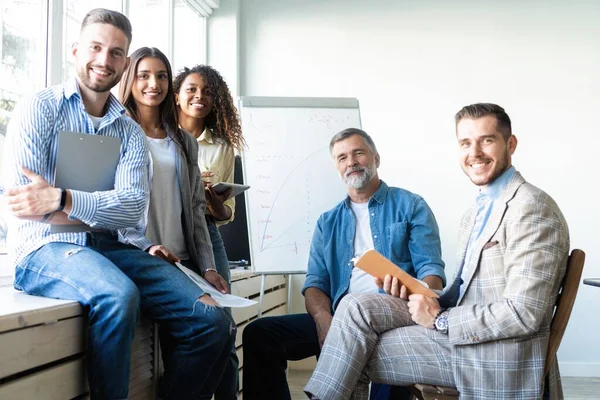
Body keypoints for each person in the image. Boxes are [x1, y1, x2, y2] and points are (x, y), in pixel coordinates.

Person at [3, 9, 234, 400]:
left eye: (115, 53)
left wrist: (63, 198)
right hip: (45, 246)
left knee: (213, 322)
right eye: (95, 47)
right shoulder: (39, 107)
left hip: (113, 245)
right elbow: (28, 205)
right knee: (119, 295)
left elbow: (130, 208)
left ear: (123, 62)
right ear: (76, 51)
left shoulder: (127, 129)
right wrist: (92, 206)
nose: (103, 60)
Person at [304, 103, 570, 400]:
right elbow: (462, 292)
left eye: (487, 140)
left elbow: (525, 313)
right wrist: (415, 291)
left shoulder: (530, 208)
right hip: (464, 333)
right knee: (353, 307)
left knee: (350, 351)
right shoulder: (478, 211)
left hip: (494, 355)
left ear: (511, 144)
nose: (475, 152)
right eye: (466, 143)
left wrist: (440, 319)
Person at [242, 128, 446, 400]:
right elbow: (315, 283)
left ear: (376, 158)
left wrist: (421, 297)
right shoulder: (327, 222)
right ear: (337, 167)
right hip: (341, 316)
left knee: (376, 332)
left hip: (395, 312)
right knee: (260, 334)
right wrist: (323, 319)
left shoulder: (411, 205)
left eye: (358, 153)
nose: (351, 162)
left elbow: (431, 271)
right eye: (342, 157)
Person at [117, 46, 233, 398]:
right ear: (129, 80)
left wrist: (210, 267)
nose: (154, 83)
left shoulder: (183, 141)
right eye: (144, 75)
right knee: (212, 327)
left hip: (185, 260)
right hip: (146, 256)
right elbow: (109, 207)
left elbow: (198, 209)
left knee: (222, 333)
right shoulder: (116, 131)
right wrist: (144, 245)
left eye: (162, 76)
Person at [173, 64, 245, 400]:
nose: (199, 96)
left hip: (207, 231)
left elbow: (224, 215)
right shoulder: (159, 135)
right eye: (191, 89)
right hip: (169, 232)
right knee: (189, 324)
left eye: (206, 91)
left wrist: (210, 198)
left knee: (225, 325)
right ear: (176, 95)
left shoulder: (222, 147)